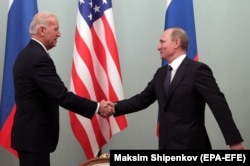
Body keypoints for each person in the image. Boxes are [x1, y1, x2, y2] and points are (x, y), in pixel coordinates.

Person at [106, 27, 245, 150]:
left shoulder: (198, 70)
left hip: (192, 146)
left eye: (162, 42)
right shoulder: (161, 74)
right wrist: (114, 107)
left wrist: (234, 141)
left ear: (177, 43)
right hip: (166, 145)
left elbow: (219, 106)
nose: (158, 47)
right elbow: (142, 99)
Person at [11, 11, 113, 166]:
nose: (59, 34)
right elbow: (61, 95)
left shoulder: (28, 54)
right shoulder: (38, 58)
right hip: (34, 138)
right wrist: (98, 107)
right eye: (56, 29)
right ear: (42, 30)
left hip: (31, 137)